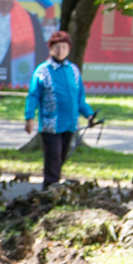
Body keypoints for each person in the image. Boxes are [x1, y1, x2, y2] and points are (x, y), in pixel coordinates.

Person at [24, 30, 94, 191]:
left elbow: (79, 99)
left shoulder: (73, 70)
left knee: (60, 160)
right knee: (53, 161)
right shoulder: (43, 71)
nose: (60, 50)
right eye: (57, 47)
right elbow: (33, 96)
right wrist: (29, 117)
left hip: (70, 125)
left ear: (69, 48)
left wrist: (89, 114)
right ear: (50, 49)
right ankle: (48, 192)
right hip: (51, 125)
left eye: (64, 47)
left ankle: (54, 191)